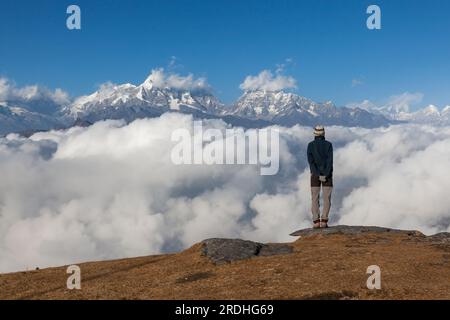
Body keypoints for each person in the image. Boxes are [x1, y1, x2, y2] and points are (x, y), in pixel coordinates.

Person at [307, 125, 333, 229]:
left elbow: (311, 162)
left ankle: (316, 221)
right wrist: (325, 174)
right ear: (324, 133)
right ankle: (324, 221)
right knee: (327, 198)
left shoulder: (310, 145)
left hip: (314, 175)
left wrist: (317, 174)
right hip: (328, 175)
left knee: (314, 198)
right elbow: (330, 162)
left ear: (315, 134)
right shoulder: (329, 145)